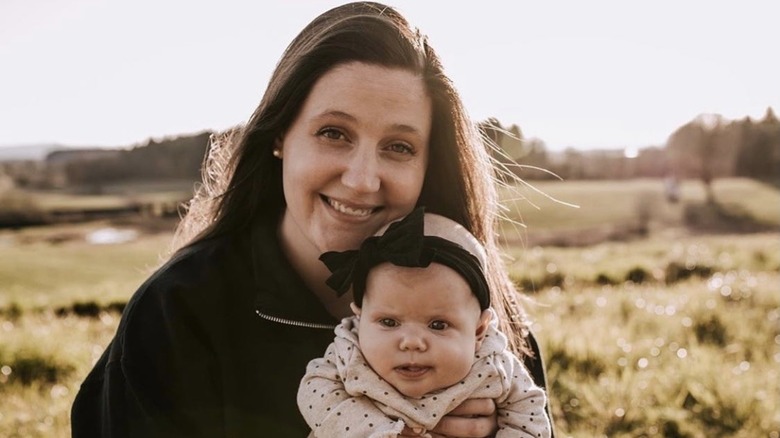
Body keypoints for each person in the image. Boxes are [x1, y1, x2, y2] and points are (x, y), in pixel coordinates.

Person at [71, 2, 554, 437]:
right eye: (334, 133)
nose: (363, 179)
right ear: (280, 135)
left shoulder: (483, 314)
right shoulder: (177, 314)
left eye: (399, 147)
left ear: (430, 164)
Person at [298, 208, 551, 437]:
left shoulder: (494, 362)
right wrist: (378, 431)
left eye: (438, 325)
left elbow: (529, 413)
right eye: (388, 322)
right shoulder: (348, 351)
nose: (411, 342)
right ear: (360, 318)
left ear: (479, 331)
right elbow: (314, 392)